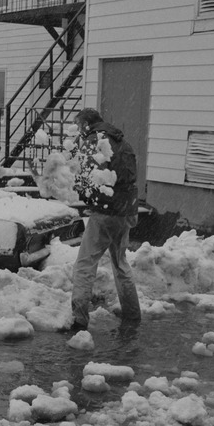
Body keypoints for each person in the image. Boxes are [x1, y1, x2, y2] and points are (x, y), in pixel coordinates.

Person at [68, 108, 141, 332]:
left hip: (107, 213)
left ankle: (79, 318)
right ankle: (132, 313)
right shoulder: (120, 141)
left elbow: (89, 178)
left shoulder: (95, 141)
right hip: (127, 210)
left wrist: (76, 188)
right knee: (120, 263)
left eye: (79, 126)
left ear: (87, 124)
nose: (79, 131)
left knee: (85, 263)